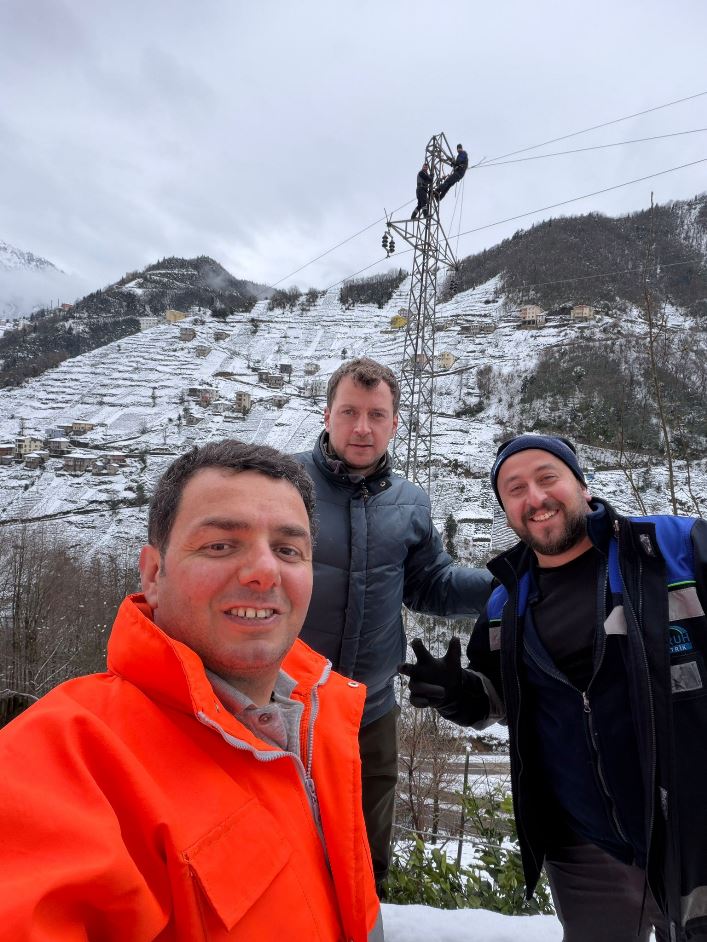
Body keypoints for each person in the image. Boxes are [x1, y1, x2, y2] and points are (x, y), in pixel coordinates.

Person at [0, 441, 382, 942]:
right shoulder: (65, 758)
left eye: (288, 550)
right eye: (221, 545)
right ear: (154, 575)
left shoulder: (324, 726)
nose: (265, 571)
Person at [401, 433, 707, 942]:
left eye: (548, 478)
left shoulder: (674, 549)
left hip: (692, 830)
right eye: (515, 489)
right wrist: (456, 693)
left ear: (582, 486)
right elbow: (498, 696)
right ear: (506, 511)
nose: (535, 498)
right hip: (583, 849)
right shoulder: (506, 602)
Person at [295, 358, 493, 893]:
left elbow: (432, 584)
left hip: (371, 709)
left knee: (365, 857)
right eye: (349, 412)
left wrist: (503, 585)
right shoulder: (285, 485)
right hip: (284, 704)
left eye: (376, 415)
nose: (362, 428)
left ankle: (368, 920)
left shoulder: (410, 502)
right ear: (327, 415)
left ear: (394, 423)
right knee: (284, 850)